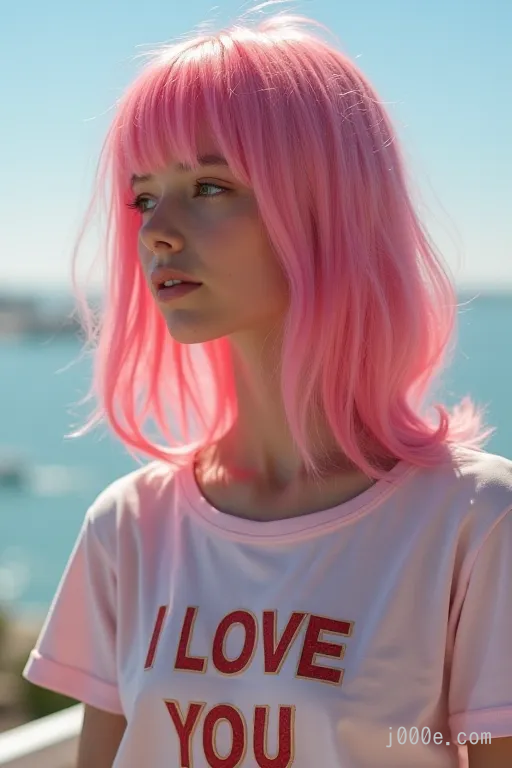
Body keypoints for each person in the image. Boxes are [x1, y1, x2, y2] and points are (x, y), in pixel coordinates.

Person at [22, 5, 512, 767]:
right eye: (144, 195)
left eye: (209, 185)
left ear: (327, 205)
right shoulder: (128, 528)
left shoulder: (474, 525)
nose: (157, 230)